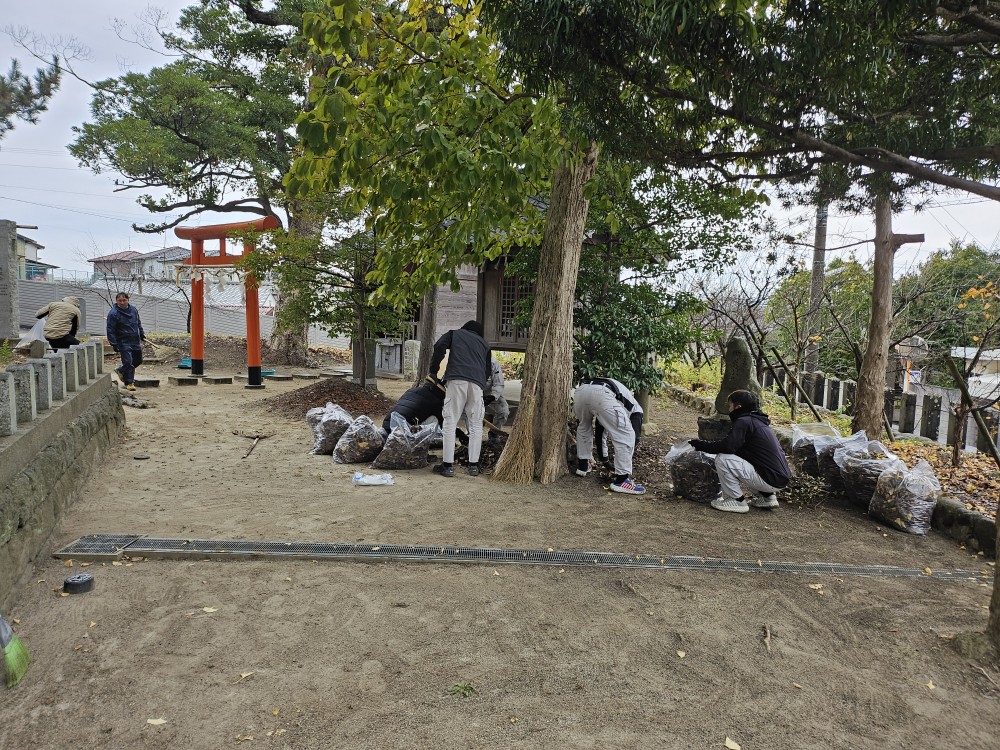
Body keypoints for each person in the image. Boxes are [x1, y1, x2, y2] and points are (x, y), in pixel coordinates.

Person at [689, 389, 791, 514]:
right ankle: (767, 497)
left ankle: (736, 500)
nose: (729, 409)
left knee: (723, 459)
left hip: (769, 479)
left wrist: (702, 445)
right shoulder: (758, 421)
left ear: (738, 407)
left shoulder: (743, 421)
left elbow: (728, 447)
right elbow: (738, 449)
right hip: (779, 479)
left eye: (729, 405)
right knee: (743, 459)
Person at [428, 320, 492, 477]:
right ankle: (473, 466)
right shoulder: (485, 344)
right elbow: (487, 370)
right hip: (477, 385)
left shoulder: (454, 334)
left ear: (465, 329)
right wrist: (479, 384)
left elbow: (439, 346)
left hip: (456, 380)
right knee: (476, 425)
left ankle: (448, 466)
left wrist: (434, 371)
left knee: (450, 422)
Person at [574, 376, 646, 495]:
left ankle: (583, 466)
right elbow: (635, 438)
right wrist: (614, 463)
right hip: (602, 393)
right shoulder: (636, 410)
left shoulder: (620, 401)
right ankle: (622, 481)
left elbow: (600, 431)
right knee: (626, 435)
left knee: (583, 427)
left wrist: (606, 461)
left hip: (582, 391)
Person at [106, 292, 145, 392]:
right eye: (120, 300)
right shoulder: (113, 313)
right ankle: (129, 382)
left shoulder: (133, 310)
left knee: (138, 360)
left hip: (134, 340)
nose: (122, 302)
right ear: (116, 301)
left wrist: (141, 333)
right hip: (123, 341)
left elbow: (138, 323)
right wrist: (113, 343)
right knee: (128, 363)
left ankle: (121, 370)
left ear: (128, 300)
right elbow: (110, 329)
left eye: (124, 300)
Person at [484, 356, 510, 441]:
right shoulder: (466, 359)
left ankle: (493, 433)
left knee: (504, 411)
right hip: (471, 392)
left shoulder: (493, 362)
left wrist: (492, 396)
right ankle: (469, 435)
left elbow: (498, 383)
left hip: (489, 392)